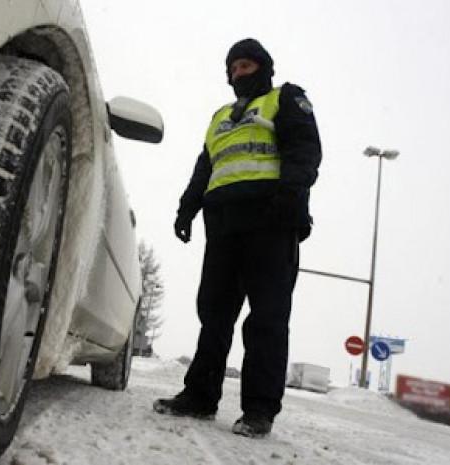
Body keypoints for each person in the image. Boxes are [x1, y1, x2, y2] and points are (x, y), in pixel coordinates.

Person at [153, 38, 322, 438]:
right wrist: (186, 209)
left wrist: (289, 196)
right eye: (232, 68)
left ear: (263, 67)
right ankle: (199, 397)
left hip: (271, 221)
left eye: (245, 66)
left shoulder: (285, 99)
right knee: (213, 314)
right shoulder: (220, 117)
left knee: (267, 317)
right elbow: (205, 166)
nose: (237, 74)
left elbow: (305, 151)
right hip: (223, 225)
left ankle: (259, 410)